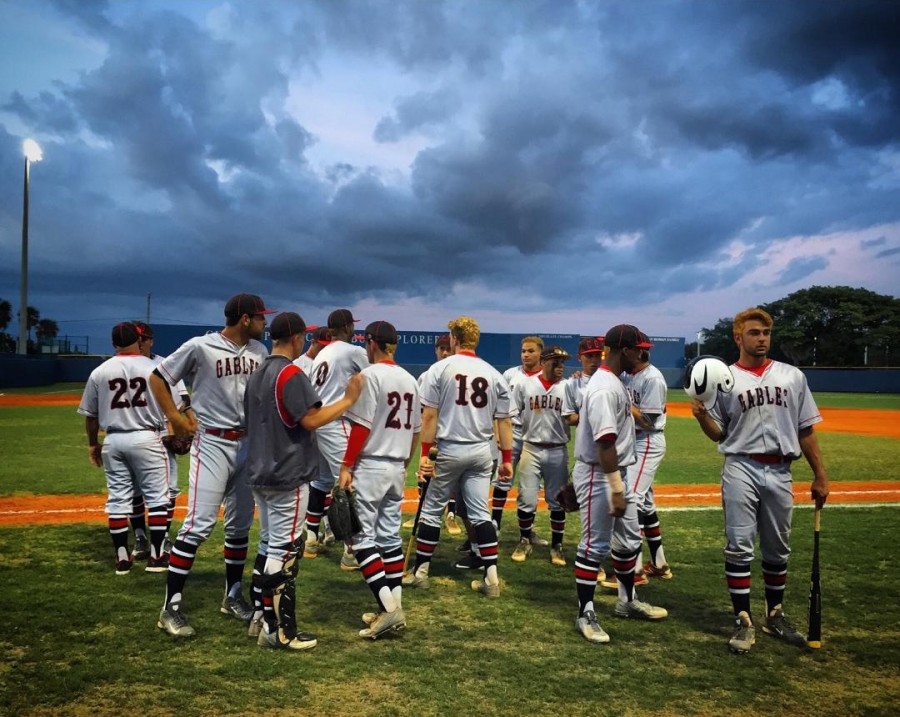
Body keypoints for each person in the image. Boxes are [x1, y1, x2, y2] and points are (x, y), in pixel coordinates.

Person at [690, 307, 830, 654]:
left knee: (777, 548)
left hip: (782, 469)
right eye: (754, 333)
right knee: (739, 544)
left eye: (766, 333)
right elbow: (718, 433)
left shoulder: (792, 376)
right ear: (738, 337)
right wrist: (701, 416)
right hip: (741, 466)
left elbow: (806, 429)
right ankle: (743, 619)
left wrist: (820, 475)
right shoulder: (726, 379)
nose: (762, 339)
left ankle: (775, 615)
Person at [150, 293, 274, 639]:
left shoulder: (259, 352)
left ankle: (232, 596)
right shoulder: (200, 346)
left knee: (238, 526)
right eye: (260, 317)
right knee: (198, 524)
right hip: (213, 441)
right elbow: (158, 378)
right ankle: (170, 607)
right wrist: (175, 416)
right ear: (244, 319)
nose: (265, 322)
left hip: (249, 442)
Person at [244, 312, 363, 650]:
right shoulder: (291, 373)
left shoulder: (258, 374)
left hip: (260, 472)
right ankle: (279, 630)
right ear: (295, 338)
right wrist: (349, 400)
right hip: (287, 473)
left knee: (268, 546)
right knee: (284, 551)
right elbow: (312, 420)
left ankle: (259, 617)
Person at [404, 316, 515, 598]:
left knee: (430, 511)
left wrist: (425, 455)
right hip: (481, 451)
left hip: (449, 449)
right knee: (481, 514)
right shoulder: (493, 373)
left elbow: (429, 415)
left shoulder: (439, 369)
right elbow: (504, 422)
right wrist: (506, 459)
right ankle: (491, 580)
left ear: (453, 338)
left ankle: (421, 573)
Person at [572, 324, 668, 644]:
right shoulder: (604, 387)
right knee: (594, 546)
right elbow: (605, 443)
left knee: (628, 543)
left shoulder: (615, 381)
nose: (642, 355)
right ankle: (585, 612)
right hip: (600, 473)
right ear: (623, 350)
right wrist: (615, 487)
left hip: (616, 472)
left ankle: (627, 601)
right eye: (638, 349)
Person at [339, 321, 420, 639]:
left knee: (359, 539)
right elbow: (414, 432)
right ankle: (392, 606)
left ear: (372, 343)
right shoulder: (410, 379)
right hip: (397, 466)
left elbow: (361, 426)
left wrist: (347, 464)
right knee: (388, 539)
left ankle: (390, 609)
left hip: (371, 464)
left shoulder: (368, 376)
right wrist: (404, 462)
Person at [77, 322, 171, 574]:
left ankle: (121, 558)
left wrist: (92, 444)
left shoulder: (100, 371)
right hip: (147, 438)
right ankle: (157, 555)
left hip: (114, 440)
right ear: (138, 341)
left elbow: (91, 416)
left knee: (118, 500)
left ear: (113, 344)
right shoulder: (155, 367)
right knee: (157, 499)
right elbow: (170, 406)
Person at [305, 309, 369, 568]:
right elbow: (379, 375)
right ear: (346, 327)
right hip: (336, 422)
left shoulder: (323, 353)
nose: (354, 329)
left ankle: (310, 537)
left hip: (317, 423)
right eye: (352, 325)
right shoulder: (352, 351)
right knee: (351, 482)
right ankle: (352, 550)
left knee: (320, 482)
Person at [130, 321, 194, 554]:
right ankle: (139, 538)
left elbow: (183, 400)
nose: (138, 343)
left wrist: (186, 422)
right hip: (134, 434)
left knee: (170, 490)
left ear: (150, 340)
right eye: (135, 339)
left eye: (142, 339)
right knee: (134, 491)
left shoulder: (164, 365)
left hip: (159, 433)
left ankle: (163, 537)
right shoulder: (119, 365)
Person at [509, 346, 577, 566]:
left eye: (563, 363)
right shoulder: (524, 384)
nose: (561, 367)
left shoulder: (568, 386)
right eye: (556, 362)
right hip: (531, 447)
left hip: (558, 449)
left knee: (558, 501)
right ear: (545, 362)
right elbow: (511, 412)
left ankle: (557, 546)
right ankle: (524, 539)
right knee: (526, 498)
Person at [490, 336, 543, 533]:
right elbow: (497, 405)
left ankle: (529, 531)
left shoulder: (544, 376)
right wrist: (497, 432)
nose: (526, 354)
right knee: (502, 478)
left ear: (540, 353)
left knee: (531, 484)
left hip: (533, 436)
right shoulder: (510, 374)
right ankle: (495, 523)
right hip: (511, 431)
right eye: (523, 351)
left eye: (531, 351)